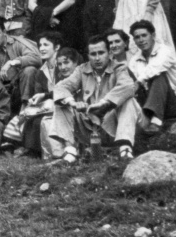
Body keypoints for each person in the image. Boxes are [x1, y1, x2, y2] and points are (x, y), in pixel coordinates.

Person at [51, 34, 141, 163]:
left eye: (101, 53)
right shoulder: (82, 70)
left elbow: (127, 86)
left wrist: (104, 103)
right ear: (88, 56)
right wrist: (73, 103)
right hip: (90, 126)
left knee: (128, 100)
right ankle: (70, 151)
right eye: (93, 54)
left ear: (109, 53)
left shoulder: (119, 68)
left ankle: (125, 149)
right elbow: (60, 87)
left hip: (112, 126)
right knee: (61, 103)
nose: (97, 58)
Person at [1, 31, 64, 157]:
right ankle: (19, 146)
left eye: (46, 45)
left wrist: (45, 98)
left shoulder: (63, 64)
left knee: (35, 120)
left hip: (63, 103)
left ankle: (32, 150)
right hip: (48, 104)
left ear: (56, 47)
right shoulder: (42, 70)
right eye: (40, 45)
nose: (41, 48)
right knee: (27, 115)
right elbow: (38, 93)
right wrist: (34, 101)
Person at [128, 20, 176, 135]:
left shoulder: (165, 51)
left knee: (159, 75)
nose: (141, 40)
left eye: (144, 35)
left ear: (153, 35)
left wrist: (138, 82)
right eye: (137, 37)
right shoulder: (134, 60)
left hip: (169, 101)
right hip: (146, 99)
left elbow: (155, 68)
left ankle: (156, 121)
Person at [0, 19, 41, 114]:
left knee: (29, 70)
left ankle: (25, 106)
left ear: (4, 32)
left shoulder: (17, 43)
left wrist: (11, 62)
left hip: (19, 89)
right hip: (0, 90)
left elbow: (37, 58)